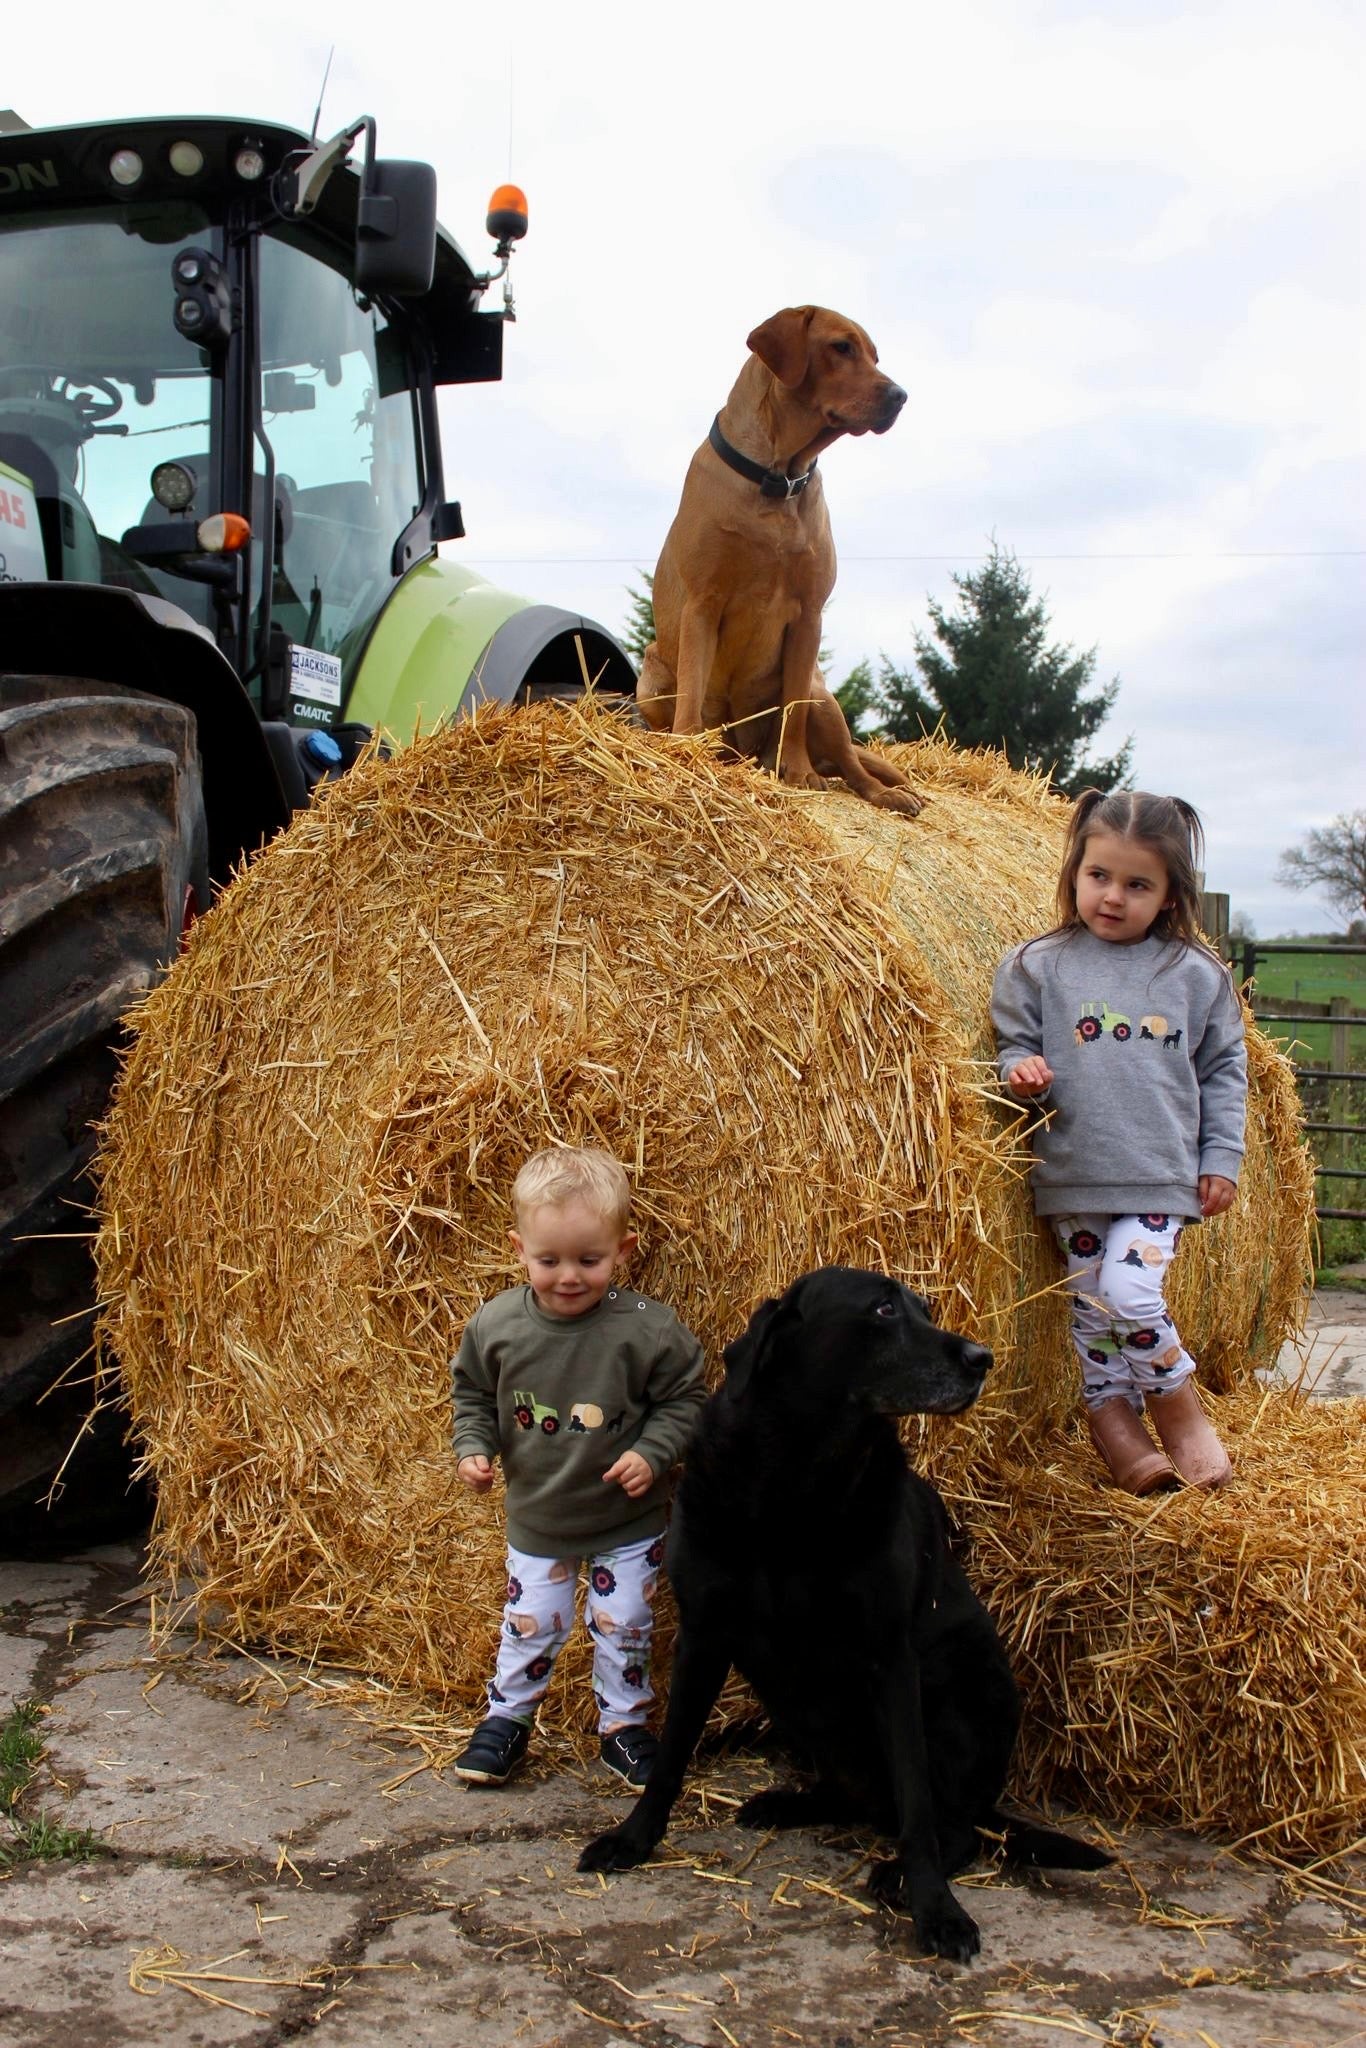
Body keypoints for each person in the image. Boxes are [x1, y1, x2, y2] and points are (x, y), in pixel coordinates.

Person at [991, 790, 1247, 1496]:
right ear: (1075, 871)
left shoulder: (1195, 975)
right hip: (1073, 1173)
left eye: (1138, 884)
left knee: (1131, 1291)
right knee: (1092, 1311)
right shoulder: (1034, 965)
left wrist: (1221, 1157)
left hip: (1159, 1174)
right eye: (1099, 876)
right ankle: (1117, 1431)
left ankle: (1179, 1410)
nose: (1112, 896)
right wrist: (1020, 1070)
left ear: (1168, 896)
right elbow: (1011, 1044)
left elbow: (1225, 1070)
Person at [451, 1146, 706, 1788]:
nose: (569, 1276)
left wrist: (653, 1452)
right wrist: (473, 1447)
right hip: (540, 1519)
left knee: (626, 1629)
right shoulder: (497, 1325)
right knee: (531, 1624)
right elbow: (474, 1394)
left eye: (589, 1261)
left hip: (628, 1524)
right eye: (549, 1260)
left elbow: (687, 1398)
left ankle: (624, 1729)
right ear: (519, 1249)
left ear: (623, 1250)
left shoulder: (647, 1330)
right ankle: (506, 1722)